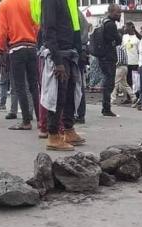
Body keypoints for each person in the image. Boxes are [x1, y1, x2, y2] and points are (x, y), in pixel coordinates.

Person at [40, 0, 85, 150]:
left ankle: (68, 129)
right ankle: (53, 135)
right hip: (59, 54)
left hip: (70, 52)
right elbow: (49, 30)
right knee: (58, 95)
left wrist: (79, 51)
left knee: (70, 94)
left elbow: (75, 25)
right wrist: (57, 61)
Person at [0, 0, 42, 131]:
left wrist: (0, 49)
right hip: (32, 47)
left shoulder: (3, 5)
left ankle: (26, 121)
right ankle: (41, 120)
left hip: (16, 48)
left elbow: (1, 29)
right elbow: (37, 25)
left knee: (20, 86)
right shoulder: (30, 2)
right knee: (34, 85)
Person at [99, 4, 123, 117]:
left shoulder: (104, 22)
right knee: (109, 83)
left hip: (103, 57)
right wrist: (119, 36)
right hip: (108, 58)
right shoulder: (110, 25)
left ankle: (106, 107)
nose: (119, 14)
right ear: (111, 12)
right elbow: (118, 40)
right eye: (117, 12)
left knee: (107, 82)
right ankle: (106, 108)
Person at [112, 33, 137, 105]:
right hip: (125, 67)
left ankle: (112, 99)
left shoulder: (118, 48)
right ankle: (133, 97)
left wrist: (114, 66)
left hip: (120, 67)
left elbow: (119, 60)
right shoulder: (123, 47)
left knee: (115, 83)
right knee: (124, 84)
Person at [122, 22, 141, 103]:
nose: (125, 28)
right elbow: (122, 48)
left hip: (135, 62)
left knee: (135, 81)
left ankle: (136, 97)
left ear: (131, 27)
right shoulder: (124, 37)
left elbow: (140, 51)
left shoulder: (137, 38)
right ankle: (128, 97)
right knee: (127, 81)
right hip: (126, 62)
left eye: (126, 27)